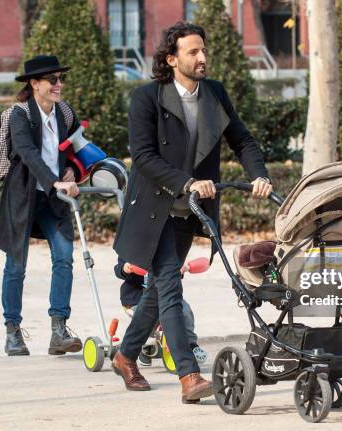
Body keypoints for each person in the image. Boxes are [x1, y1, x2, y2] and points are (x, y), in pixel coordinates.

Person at [111, 22, 273, 404]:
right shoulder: (146, 98)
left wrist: (259, 176)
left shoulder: (213, 93)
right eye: (193, 52)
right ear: (172, 59)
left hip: (191, 208)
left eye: (204, 50)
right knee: (168, 283)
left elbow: (241, 139)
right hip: (154, 207)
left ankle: (124, 355)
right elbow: (144, 157)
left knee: (156, 295)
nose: (202, 58)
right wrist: (186, 182)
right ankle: (190, 375)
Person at [0, 55, 83, 356]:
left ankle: (58, 329)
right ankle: (13, 331)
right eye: (52, 80)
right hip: (23, 196)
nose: (59, 84)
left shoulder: (64, 113)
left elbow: (77, 146)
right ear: (34, 84)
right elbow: (28, 153)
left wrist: (71, 171)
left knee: (65, 256)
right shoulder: (19, 115)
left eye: (60, 79)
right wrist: (53, 180)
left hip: (54, 199)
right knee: (16, 264)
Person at [115, 258, 208, 366]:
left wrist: (181, 269)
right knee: (148, 317)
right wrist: (125, 268)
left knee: (185, 311)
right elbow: (118, 269)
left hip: (165, 295)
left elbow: (172, 269)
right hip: (136, 299)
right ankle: (144, 345)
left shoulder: (165, 249)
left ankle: (191, 344)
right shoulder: (132, 248)